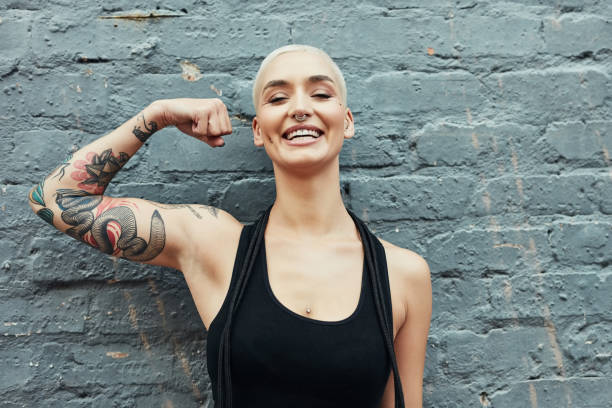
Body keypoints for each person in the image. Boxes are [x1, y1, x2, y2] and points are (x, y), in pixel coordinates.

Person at [28, 44, 432, 408]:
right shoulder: (216, 244)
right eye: (277, 97)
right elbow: (55, 199)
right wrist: (157, 115)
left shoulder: (402, 274)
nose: (300, 107)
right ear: (259, 130)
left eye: (321, 93)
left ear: (347, 122)